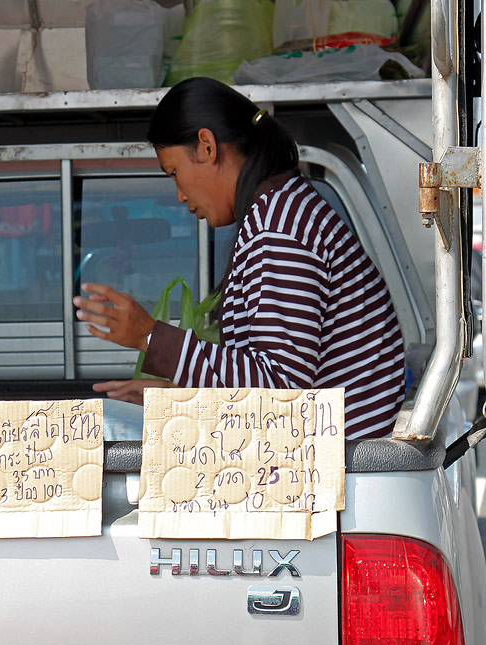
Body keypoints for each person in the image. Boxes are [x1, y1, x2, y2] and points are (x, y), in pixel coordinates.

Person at [73, 77, 405, 440]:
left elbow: (281, 391)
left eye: (175, 174)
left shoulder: (278, 227)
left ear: (206, 146)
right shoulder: (280, 211)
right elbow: (272, 381)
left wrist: (151, 338)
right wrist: (184, 397)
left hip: (341, 467)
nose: (181, 195)